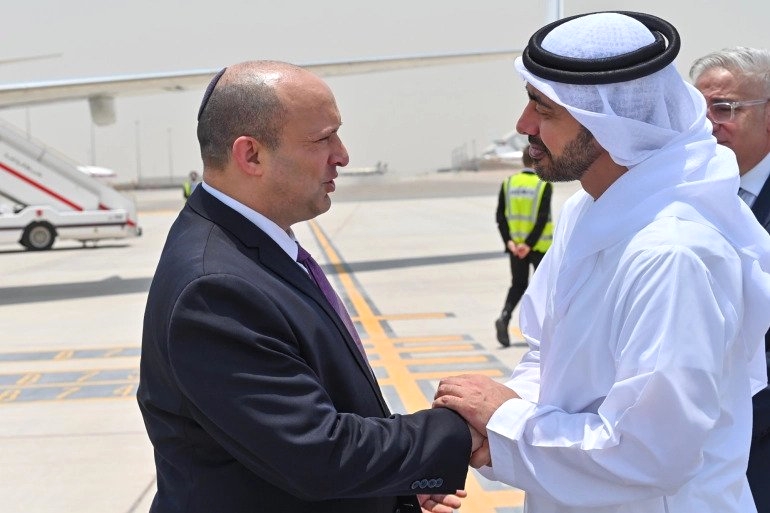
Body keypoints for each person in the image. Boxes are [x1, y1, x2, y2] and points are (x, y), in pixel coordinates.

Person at [433, 11, 770, 513]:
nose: (523, 125)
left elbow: (649, 454)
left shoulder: (672, 253)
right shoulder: (587, 212)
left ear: (607, 123)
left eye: (544, 109)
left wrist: (503, 424)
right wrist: (477, 426)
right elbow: (551, 358)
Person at [137, 61, 484, 513]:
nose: (342, 155)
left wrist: (398, 484)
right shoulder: (214, 289)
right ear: (251, 155)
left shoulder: (251, 247)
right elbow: (315, 453)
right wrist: (462, 430)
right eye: (323, 139)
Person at [690, 47, 770, 513]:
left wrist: (729, 412)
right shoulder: (686, 193)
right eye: (699, 110)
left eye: (724, 108)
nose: (709, 124)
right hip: (697, 444)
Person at [494, 145, 553, 347]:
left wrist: (509, 241)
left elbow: (500, 216)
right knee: (542, 287)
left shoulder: (508, 183)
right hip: (538, 247)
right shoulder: (543, 184)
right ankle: (539, 330)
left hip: (515, 247)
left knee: (518, 284)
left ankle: (504, 316)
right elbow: (542, 218)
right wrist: (529, 244)